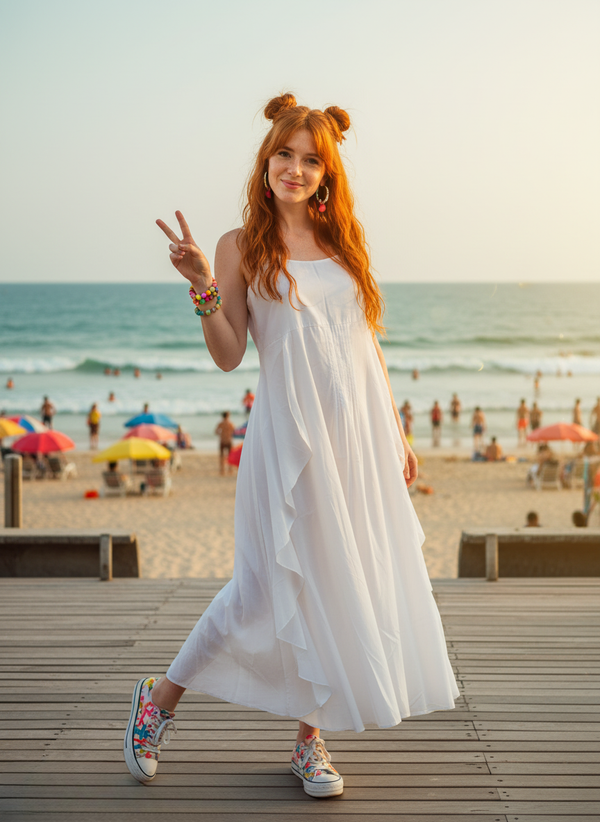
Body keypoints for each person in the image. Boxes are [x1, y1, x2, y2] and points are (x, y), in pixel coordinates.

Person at [126, 93, 458, 797]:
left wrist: (393, 431)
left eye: (311, 160)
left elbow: (364, 345)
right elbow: (228, 354)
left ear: (326, 172)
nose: (296, 169)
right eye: (285, 154)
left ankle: (311, 743)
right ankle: (158, 703)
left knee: (340, 583)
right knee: (257, 592)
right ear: (266, 159)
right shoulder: (239, 245)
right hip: (286, 439)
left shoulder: (344, 241)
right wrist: (203, 291)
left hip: (356, 439)